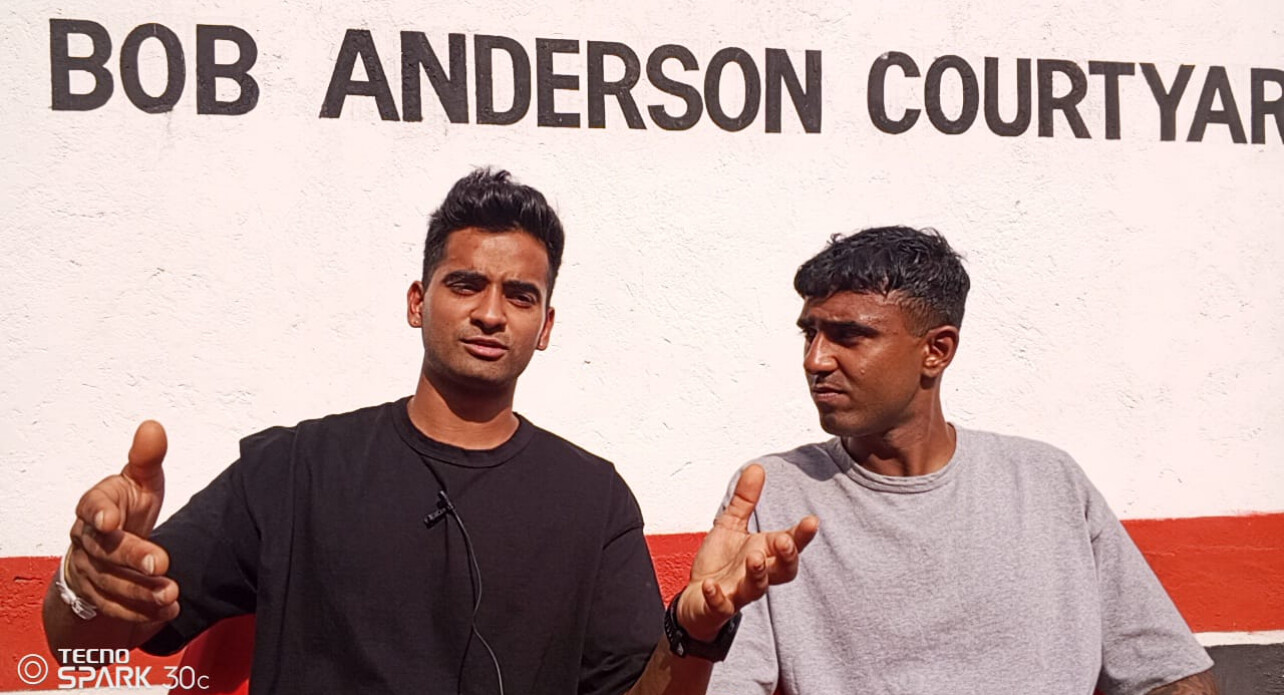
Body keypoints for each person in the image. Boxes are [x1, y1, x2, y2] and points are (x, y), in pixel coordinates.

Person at [41, 168, 817, 695]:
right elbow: (85, 643)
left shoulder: (593, 497)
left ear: (546, 326)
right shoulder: (294, 469)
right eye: (466, 284)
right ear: (418, 301)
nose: (490, 312)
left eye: (520, 295)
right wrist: (85, 579)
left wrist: (693, 631)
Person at [706, 226, 1218, 695]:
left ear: (937, 350)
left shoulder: (1046, 482)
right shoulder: (772, 493)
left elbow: (1169, 674)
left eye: (849, 336)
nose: (815, 360)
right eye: (809, 333)